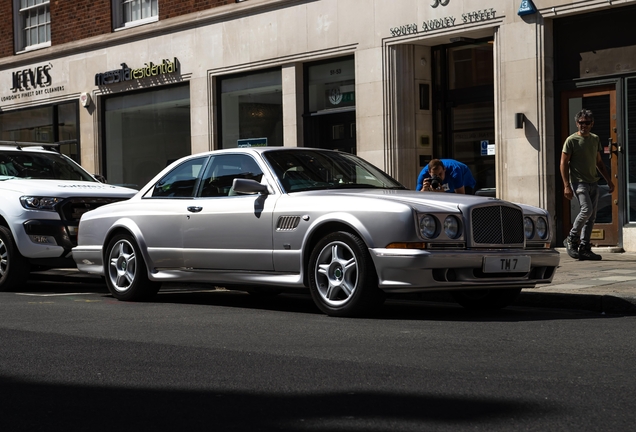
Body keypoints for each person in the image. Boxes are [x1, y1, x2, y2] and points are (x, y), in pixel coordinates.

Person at [560, 109, 614, 261]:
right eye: (581, 123)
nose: (584, 125)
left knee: (591, 217)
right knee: (586, 210)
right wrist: (566, 185)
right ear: (577, 123)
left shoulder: (595, 139)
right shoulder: (571, 140)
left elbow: (599, 162)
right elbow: (563, 163)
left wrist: (609, 181)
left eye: (587, 123)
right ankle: (571, 238)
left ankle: (584, 247)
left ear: (592, 124)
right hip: (578, 182)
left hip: (593, 182)